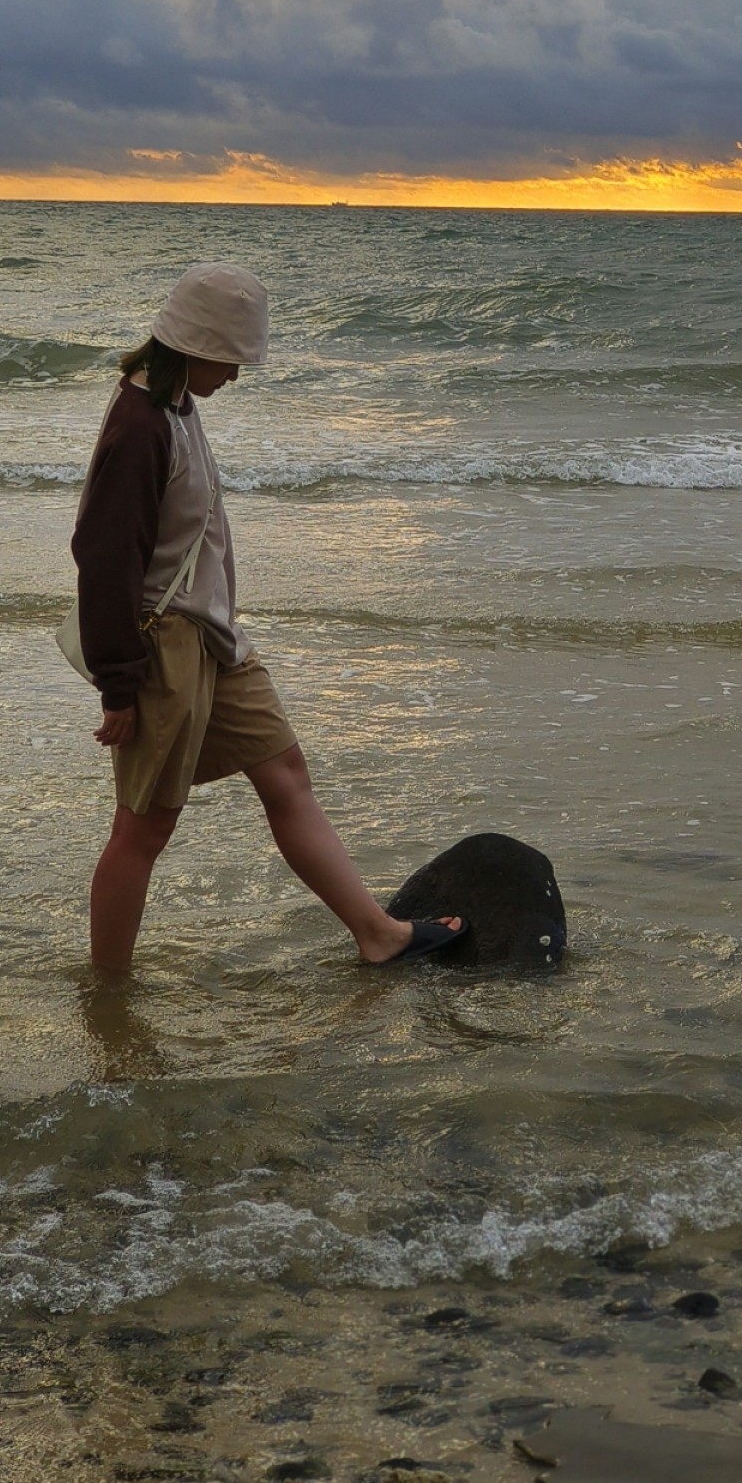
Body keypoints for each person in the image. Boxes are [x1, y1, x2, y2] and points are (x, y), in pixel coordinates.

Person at [72, 262, 462, 975]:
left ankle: (378, 934)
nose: (239, 373)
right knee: (144, 829)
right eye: (233, 355)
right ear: (195, 344)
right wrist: (118, 685)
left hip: (214, 640)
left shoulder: (177, 406)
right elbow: (102, 562)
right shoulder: (140, 423)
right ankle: (109, 995)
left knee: (284, 771)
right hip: (164, 649)